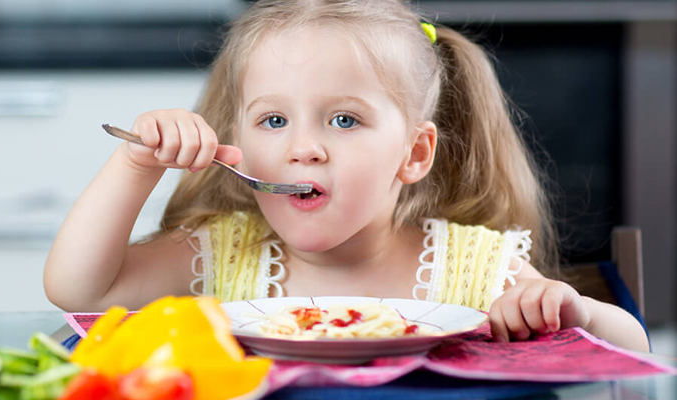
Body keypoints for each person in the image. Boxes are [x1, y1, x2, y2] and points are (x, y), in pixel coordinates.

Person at [44, 0, 649, 351]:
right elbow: (80, 292)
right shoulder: (224, 255)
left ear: (413, 154)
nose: (304, 148)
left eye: (343, 119)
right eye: (274, 119)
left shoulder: (471, 267)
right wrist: (136, 164)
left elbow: (632, 347)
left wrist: (575, 313)